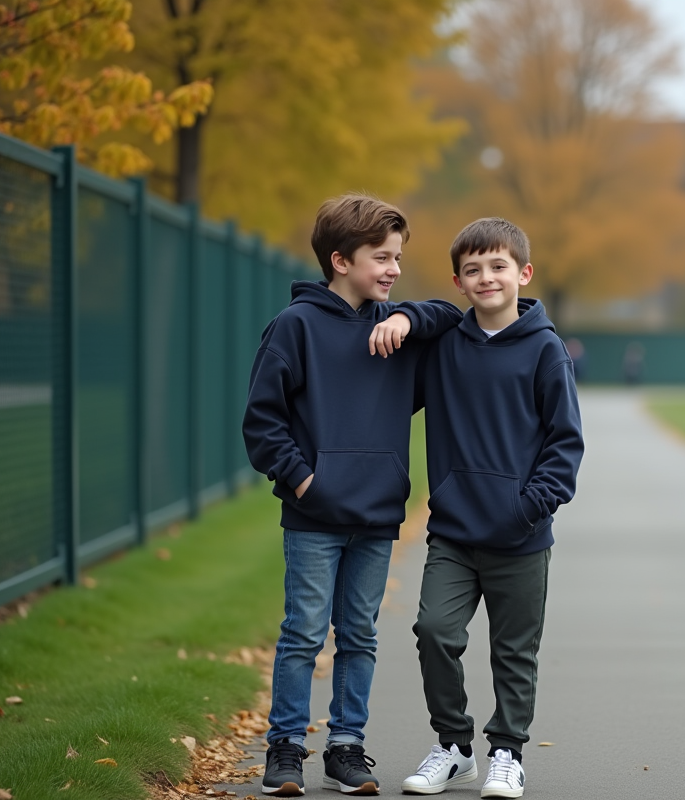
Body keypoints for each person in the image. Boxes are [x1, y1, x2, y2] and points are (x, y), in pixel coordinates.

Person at [243, 194, 462, 797]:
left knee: (359, 634)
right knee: (304, 633)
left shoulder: (394, 330)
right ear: (340, 260)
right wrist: (305, 480)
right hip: (313, 514)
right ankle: (285, 748)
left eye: (397, 257)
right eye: (381, 257)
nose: (393, 268)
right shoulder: (296, 328)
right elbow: (262, 423)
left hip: (377, 515)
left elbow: (455, 315)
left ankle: (346, 749)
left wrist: (408, 317)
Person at [402, 218, 584, 799]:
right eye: (473, 269)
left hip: (521, 534)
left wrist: (528, 508)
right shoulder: (444, 348)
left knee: (512, 653)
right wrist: (411, 316)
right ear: (458, 281)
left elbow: (565, 442)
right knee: (434, 630)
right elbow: (407, 344)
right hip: (454, 531)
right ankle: (454, 747)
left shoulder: (545, 350)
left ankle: (508, 752)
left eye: (498, 266)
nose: (486, 277)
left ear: (523, 274)